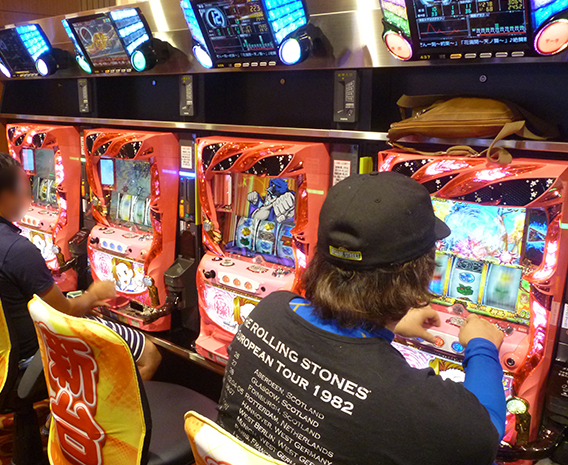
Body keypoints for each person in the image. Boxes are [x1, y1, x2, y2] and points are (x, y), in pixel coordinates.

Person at [217, 171, 506, 465]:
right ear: (420, 273)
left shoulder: (269, 310)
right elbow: (486, 436)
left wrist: (386, 324)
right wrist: (483, 347)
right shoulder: (404, 398)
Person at [0, 150, 161, 381]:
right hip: (34, 354)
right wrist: (93, 295)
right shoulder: (16, 250)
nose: (28, 194)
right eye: (23, 186)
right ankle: (106, 403)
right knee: (150, 354)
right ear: (5, 196)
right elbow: (64, 312)